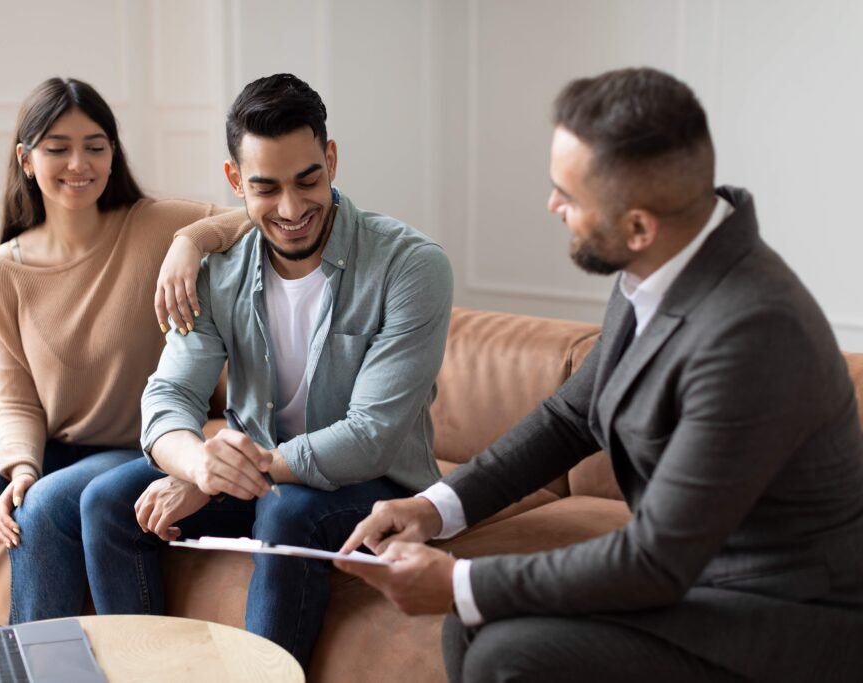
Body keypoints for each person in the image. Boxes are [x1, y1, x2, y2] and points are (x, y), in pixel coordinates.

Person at [337, 67, 863, 683]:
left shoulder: (753, 334)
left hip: (781, 614)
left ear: (639, 225)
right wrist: (433, 508)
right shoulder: (662, 260)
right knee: (472, 621)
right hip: (699, 579)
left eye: (569, 195)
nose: (551, 205)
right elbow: (570, 417)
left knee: (509, 650)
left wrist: (458, 579)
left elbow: (656, 559)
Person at [81, 73, 454, 670]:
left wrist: (215, 480)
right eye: (266, 188)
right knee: (106, 502)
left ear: (331, 160)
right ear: (235, 182)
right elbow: (170, 394)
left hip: (375, 482)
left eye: (308, 180)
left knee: (284, 510)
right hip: (263, 470)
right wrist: (197, 462)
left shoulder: (410, 266)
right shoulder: (215, 271)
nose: (291, 209)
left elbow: (371, 436)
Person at [0, 76, 249, 655]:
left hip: (135, 445)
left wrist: (190, 241)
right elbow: (16, 398)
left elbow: (255, 215)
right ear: (27, 159)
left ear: (114, 153)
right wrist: (20, 468)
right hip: (56, 439)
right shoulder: (3, 270)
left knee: (43, 511)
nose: (78, 163)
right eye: (57, 147)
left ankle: (41, 669)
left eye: (95, 145)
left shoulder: (152, 226)